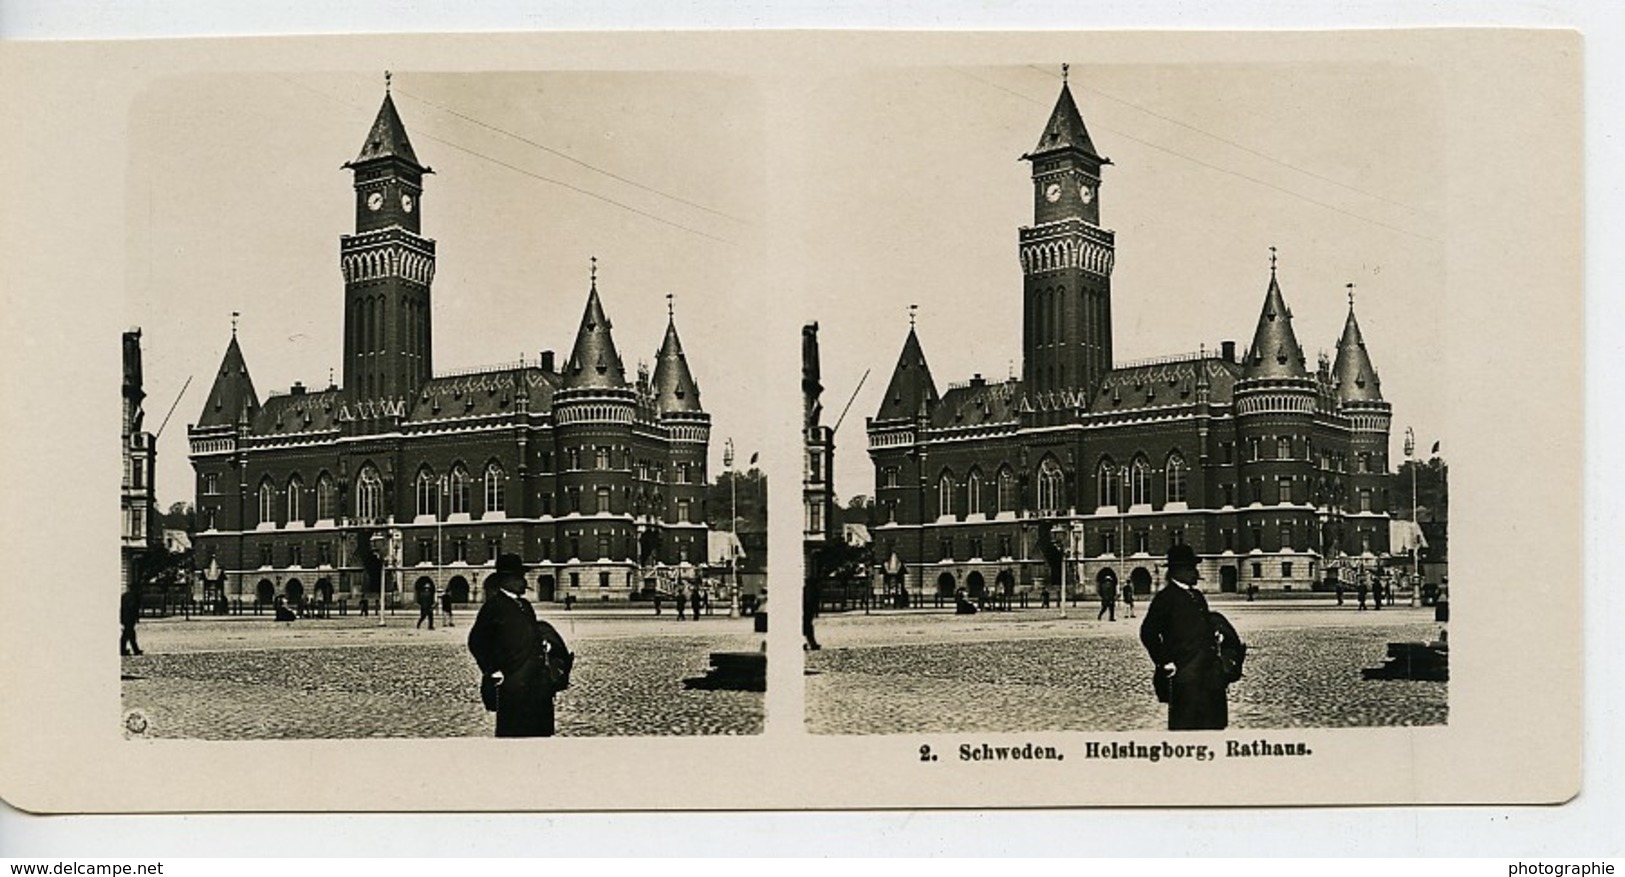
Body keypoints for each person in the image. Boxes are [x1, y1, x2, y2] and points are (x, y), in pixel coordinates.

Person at [468, 554, 572, 738]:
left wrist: (544, 644)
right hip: (513, 683)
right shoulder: (493, 606)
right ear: (505, 580)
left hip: (537, 684)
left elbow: (529, 633)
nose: (524, 582)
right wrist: (492, 670)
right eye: (519, 578)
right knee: (515, 733)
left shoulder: (524, 605)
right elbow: (476, 641)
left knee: (540, 733)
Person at [1139, 544, 1229, 731]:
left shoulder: (1196, 595)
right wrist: (1165, 662)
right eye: (1190, 568)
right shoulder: (1165, 598)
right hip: (1185, 674)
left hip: (1209, 674)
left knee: (1213, 723)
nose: (1195, 573)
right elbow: (1148, 632)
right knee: (1187, 724)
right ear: (1176, 571)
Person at [120, 585, 143, 656]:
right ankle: (131, 650)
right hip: (130, 618)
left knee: (128, 634)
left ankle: (132, 649)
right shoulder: (135, 597)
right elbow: (134, 608)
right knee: (129, 634)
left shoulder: (124, 596)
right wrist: (136, 617)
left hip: (124, 617)